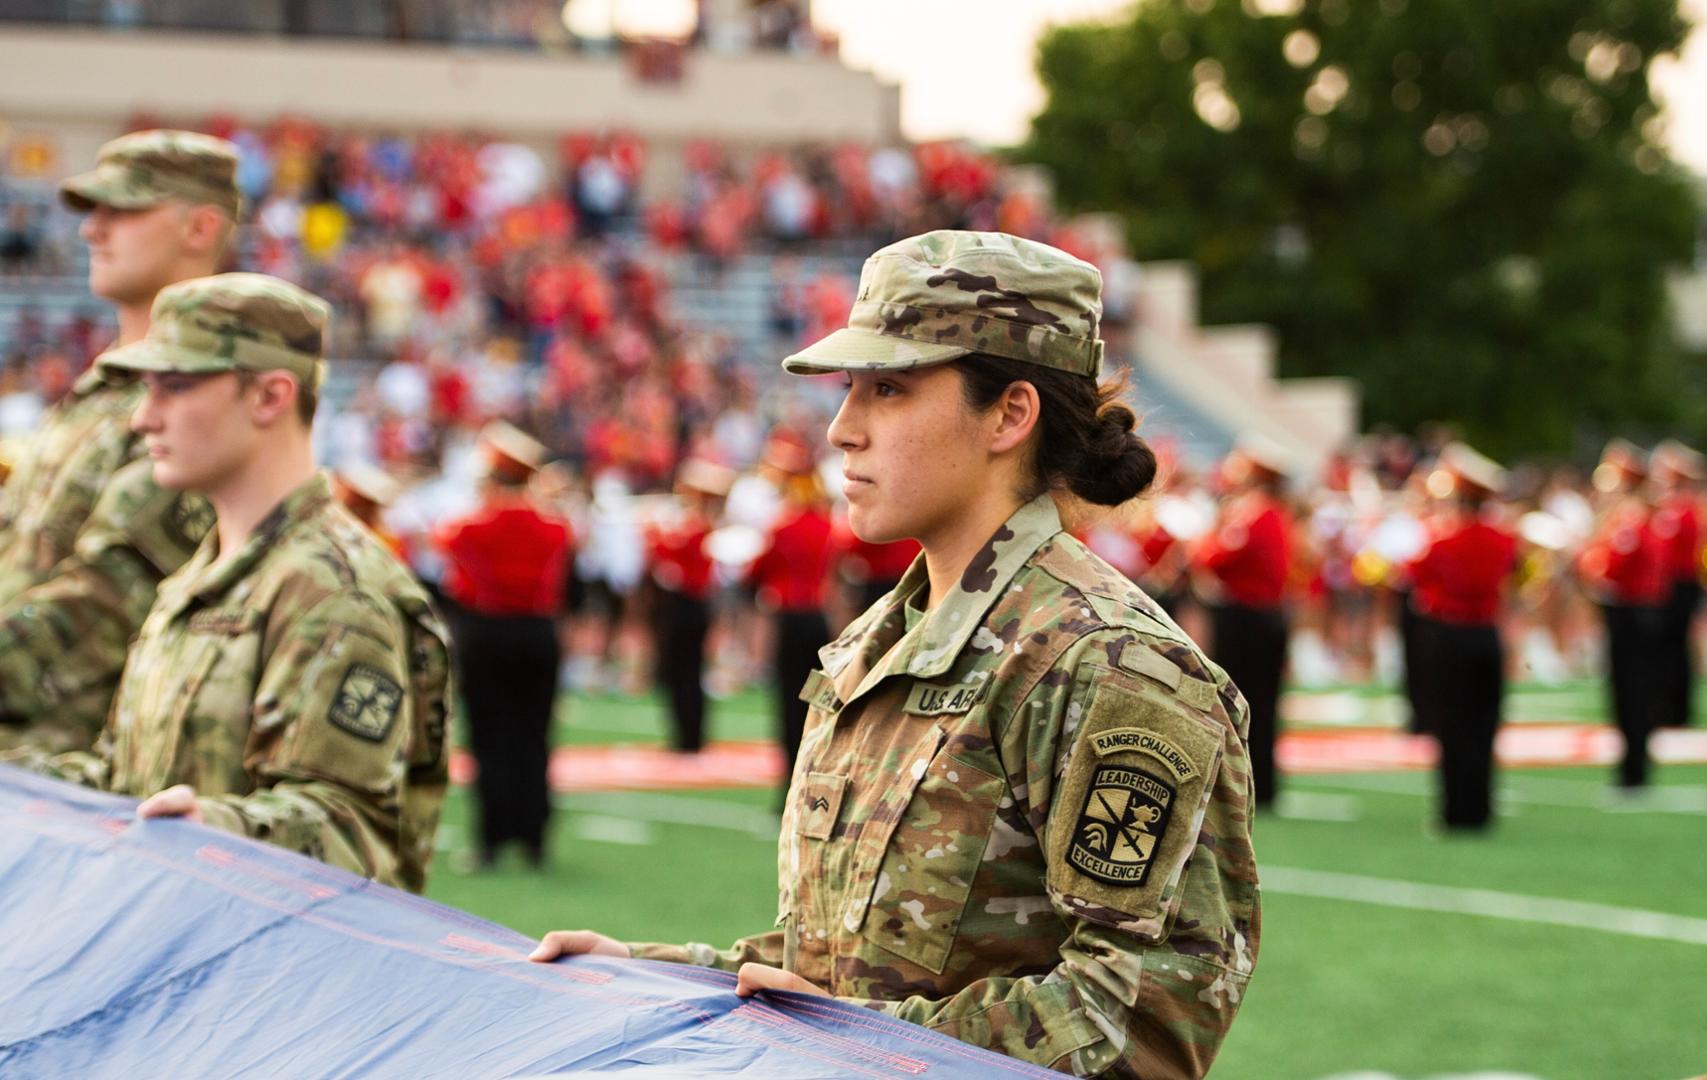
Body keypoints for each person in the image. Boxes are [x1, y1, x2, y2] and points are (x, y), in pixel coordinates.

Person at [528, 231, 1259, 1076]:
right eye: (850, 390)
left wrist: (855, 1039)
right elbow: (831, 964)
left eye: (889, 389)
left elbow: (1146, 1013)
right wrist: (650, 974)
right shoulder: (876, 645)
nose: (842, 430)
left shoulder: (1105, 663)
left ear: (1010, 415)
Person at [18, 274, 453, 892]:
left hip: (276, 976)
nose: (143, 418)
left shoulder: (335, 591)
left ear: (269, 397)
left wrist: (211, 826)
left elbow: (351, 836)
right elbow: (126, 777)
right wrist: (22, 781)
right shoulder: (203, 575)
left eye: (174, 386)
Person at [0, 130, 239, 753]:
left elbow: (109, 598)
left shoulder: (208, 396)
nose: (91, 231)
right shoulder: (102, 387)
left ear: (200, 228)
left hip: (73, 774)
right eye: (92, 212)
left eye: (123, 210)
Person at [434, 421, 573, 869]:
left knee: (489, 738)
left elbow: (447, 555)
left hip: (486, 633)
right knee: (534, 735)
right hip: (538, 634)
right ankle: (534, 840)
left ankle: (491, 841)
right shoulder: (554, 527)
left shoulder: (470, 527)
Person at [1405, 443, 1516, 832]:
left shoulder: (1442, 539)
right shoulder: (1505, 538)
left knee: (1452, 725)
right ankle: (1481, 809)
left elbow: (1414, 575)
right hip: (1487, 635)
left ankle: (1455, 811)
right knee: (1484, 724)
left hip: (1448, 637)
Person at [1192, 432, 1293, 813]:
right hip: (1257, 616)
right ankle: (1258, 783)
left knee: (1246, 703)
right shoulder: (1266, 511)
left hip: (1247, 619)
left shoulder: (1254, 512)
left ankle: (1253, 784)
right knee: (1259, 703)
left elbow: (1212, 556)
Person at [742, 433, 834, 789]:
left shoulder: (781, 526)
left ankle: (789, 787)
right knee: (817, 703)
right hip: (818, 618)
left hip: (788, 618)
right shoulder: (827, 526)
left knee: (788, 704)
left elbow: (757, 572)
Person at [1580, 438, 1668, 789]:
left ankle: (1633, 769)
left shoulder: (1629, 520)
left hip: (1630, 612)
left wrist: (1587, 561)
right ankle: (1634, 763)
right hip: (1638, 611)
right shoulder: (1636, 516)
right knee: (1634, 691)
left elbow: (1612, 566)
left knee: (1630, 692)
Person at [644, 458, 731, 754]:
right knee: (683, 671)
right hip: (687, 605)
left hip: (687, 605)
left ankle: (689, 736)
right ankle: (688, 734)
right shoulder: (697, 524)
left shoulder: (698, 526)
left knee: (684, 671)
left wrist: (654, 530)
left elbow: (665, 550)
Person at [1650, 439, 1707, 727]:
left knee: (1673, 649)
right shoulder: (1677, 507)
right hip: (1671, 583)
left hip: (1679, 583)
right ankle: (1667, 707)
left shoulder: (1682, 508)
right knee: (1666, 649)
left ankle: (1674, 711)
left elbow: (1666, 544)